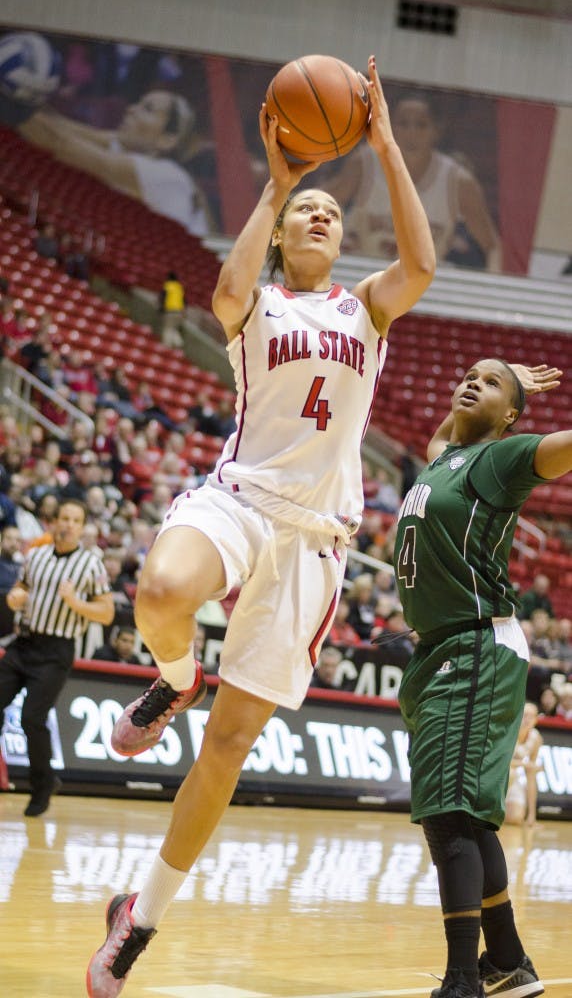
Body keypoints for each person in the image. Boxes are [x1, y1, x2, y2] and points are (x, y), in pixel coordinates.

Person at [85, 54, 436, 996]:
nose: (322, 216)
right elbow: (224, 295)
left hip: (315, 538)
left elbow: (422, 265)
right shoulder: (264, 299)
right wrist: (277, 188)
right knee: (159, 591)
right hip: (239, 500)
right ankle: (173, 677)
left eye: (331, 209)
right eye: (305, 213)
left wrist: (388, 144)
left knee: (231, 745)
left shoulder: (365, 311)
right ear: (285, 236)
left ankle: (139, 920)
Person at [394, 357, 563, 998]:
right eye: (465, 374)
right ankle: (510, 963)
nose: (471, 382)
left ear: (514, 415)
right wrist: (498, 374)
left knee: (450, 817)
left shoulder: (504, 459)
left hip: (476, 646)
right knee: (464, 819)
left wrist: (503, 393)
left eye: (491, 384)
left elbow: (558, 449)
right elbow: (449, 432)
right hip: (440, 649)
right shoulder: (443, 458)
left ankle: (465, 978)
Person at [0, 499, 114, 816]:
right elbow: (19, 592)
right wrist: (14, 598)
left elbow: (106, 613)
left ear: (82, 527)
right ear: (54, 522)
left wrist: (75, 602)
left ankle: (43, 784)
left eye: (75, 520)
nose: (68, 524)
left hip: (57, 650)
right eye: (64, 518)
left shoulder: (91, 565)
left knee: (32, 719)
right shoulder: (35, 556)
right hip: (24, 643)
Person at [328, 92, 500, 270]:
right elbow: (318, 202)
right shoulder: (365, 164)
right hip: (363, 273)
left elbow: (492, 246)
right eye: (403, 124)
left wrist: (495, 291)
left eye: (421, 125)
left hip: (421, 284)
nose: (412, 133)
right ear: (390, 127)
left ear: (436, 131)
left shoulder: (457, 181)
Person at [19, 89, 212, 236]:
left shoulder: (164, 174)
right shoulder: (127, 146)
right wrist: (29, 98)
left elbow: (61, 145)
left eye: (147, 109)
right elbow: (67, 129)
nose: (130, 109)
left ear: (167, 140)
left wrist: (12, 107)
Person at [504, 702, 543, 827]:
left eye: (532, 716)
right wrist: (524, 764)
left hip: (513, 780)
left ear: (536, 720)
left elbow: (531, 775)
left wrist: (532, 816)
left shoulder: (536, 738)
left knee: (515, 818)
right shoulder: (508, 731)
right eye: (525, 715)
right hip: (499, 776)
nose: (528, 719)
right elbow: (501, 762)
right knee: (511, 772)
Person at [158, 271, 186, 349]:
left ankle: (166, 348)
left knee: (168, 328)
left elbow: (163, 296)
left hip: (170, 310)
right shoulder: (179, 287)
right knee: (174, 328)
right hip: (180, 312)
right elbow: (184, 301)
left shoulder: (168, 285)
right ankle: (178, 343)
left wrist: (161, 308)